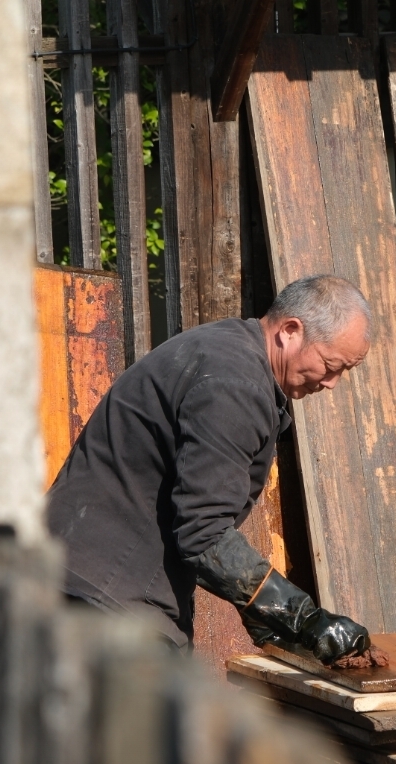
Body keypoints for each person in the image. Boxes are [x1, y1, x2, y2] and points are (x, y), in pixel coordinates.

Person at [47, 274, 374, 664]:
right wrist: (303, 617)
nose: (333, 383)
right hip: (101, 608)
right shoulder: (237, 383)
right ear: (290, 331)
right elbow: (203, 531)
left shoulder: (226, 351)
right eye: (330, 364)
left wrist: (258, 612)